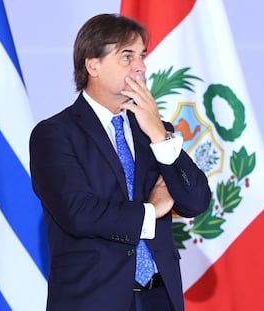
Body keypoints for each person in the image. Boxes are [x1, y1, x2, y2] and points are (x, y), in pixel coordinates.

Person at [29, 13, 211, 311]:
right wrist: (151, 212)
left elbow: (195, 201)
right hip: (93, 300)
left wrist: (158, 135)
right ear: (93, 64)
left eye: (141, 56)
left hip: (159, 298)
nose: (140, 66)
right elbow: (80, 213)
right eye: (127, 56)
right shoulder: (55, 134)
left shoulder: (153, 130)